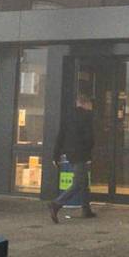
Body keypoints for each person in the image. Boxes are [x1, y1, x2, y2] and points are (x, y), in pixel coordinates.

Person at [48, 93, 96, 223]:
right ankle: (56, 204)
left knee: (84, 183)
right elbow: (89, 138)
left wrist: (56, 155)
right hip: (81, 154)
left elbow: (60, 136)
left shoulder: (68, 116)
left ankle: (86, 210)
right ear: (86, 104)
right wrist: (89, 154)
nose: (91, 107)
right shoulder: (87, 116)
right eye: (90, 104)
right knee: (78, 183)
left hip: (69, 153)